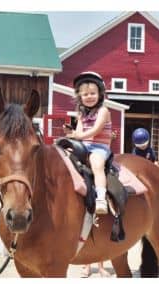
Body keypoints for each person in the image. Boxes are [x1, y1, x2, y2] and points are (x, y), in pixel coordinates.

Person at [66, 70, 112, 216]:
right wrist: (72, 137)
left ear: (100, 94)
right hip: (84, 145)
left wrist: (78, 135)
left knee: (97, 164)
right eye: (85, 94)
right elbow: (79, 131)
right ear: (80, 96)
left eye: (93, 93)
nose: (89, 97)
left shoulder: (103, 111)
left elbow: (95, 130)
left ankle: (101, 198)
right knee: (64, 157)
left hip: (99, 147)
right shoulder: (81, 114)